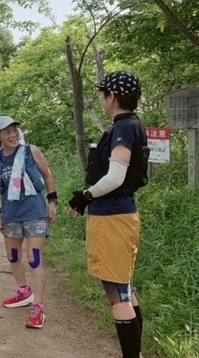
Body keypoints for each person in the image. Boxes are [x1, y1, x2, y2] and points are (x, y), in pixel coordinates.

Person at [69, 71, 149, 358]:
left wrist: (85, 195)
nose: (101, 99)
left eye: (102, 94)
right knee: (125, 290)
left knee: (118, 296)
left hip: (113, 219)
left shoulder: (123, 128)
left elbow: (115, 177)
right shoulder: (133, 124)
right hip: (122, 215)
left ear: (111, 96)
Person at [0, 116, 58, 329]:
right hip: (10, 214)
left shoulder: (30, 151)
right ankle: (24, 292)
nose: (13, 135)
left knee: (34, 258)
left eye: (15, 130)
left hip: (35, 211)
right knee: (13, 256)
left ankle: (38, 307)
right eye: (7, 132)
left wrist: (52, 202)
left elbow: (47, 175)